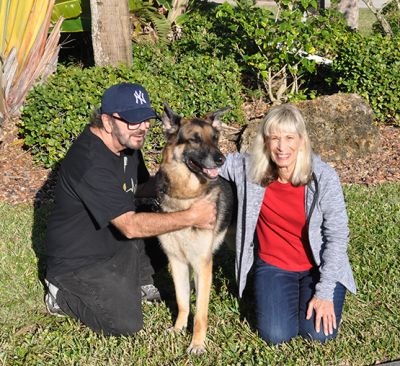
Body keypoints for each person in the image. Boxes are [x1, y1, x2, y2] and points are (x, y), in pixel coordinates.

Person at [44, 83, 217, 336]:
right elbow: (131, 226)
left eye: (146, 119)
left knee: (168, 237)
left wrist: (173, 182)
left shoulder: (127, 145)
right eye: (133, 120)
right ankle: (60, 294)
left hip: (114, 242)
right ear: (107, 121)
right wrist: (191, 216)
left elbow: (138, 188)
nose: (143, 127)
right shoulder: (90, 161)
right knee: (125, 322)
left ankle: (139, 277)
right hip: (80, 261)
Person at [219, 104, 356, 344]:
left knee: (319, 335)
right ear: (265, 141)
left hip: (317, 266)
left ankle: (314, 296)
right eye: (275, 138)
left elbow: (337, 236)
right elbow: (209, 161)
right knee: (276, 335)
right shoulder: (249, 170)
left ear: (302, 140)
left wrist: (324, 292)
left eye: (290, 138)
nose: (282, 147)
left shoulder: (322, 177)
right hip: (274, 266)